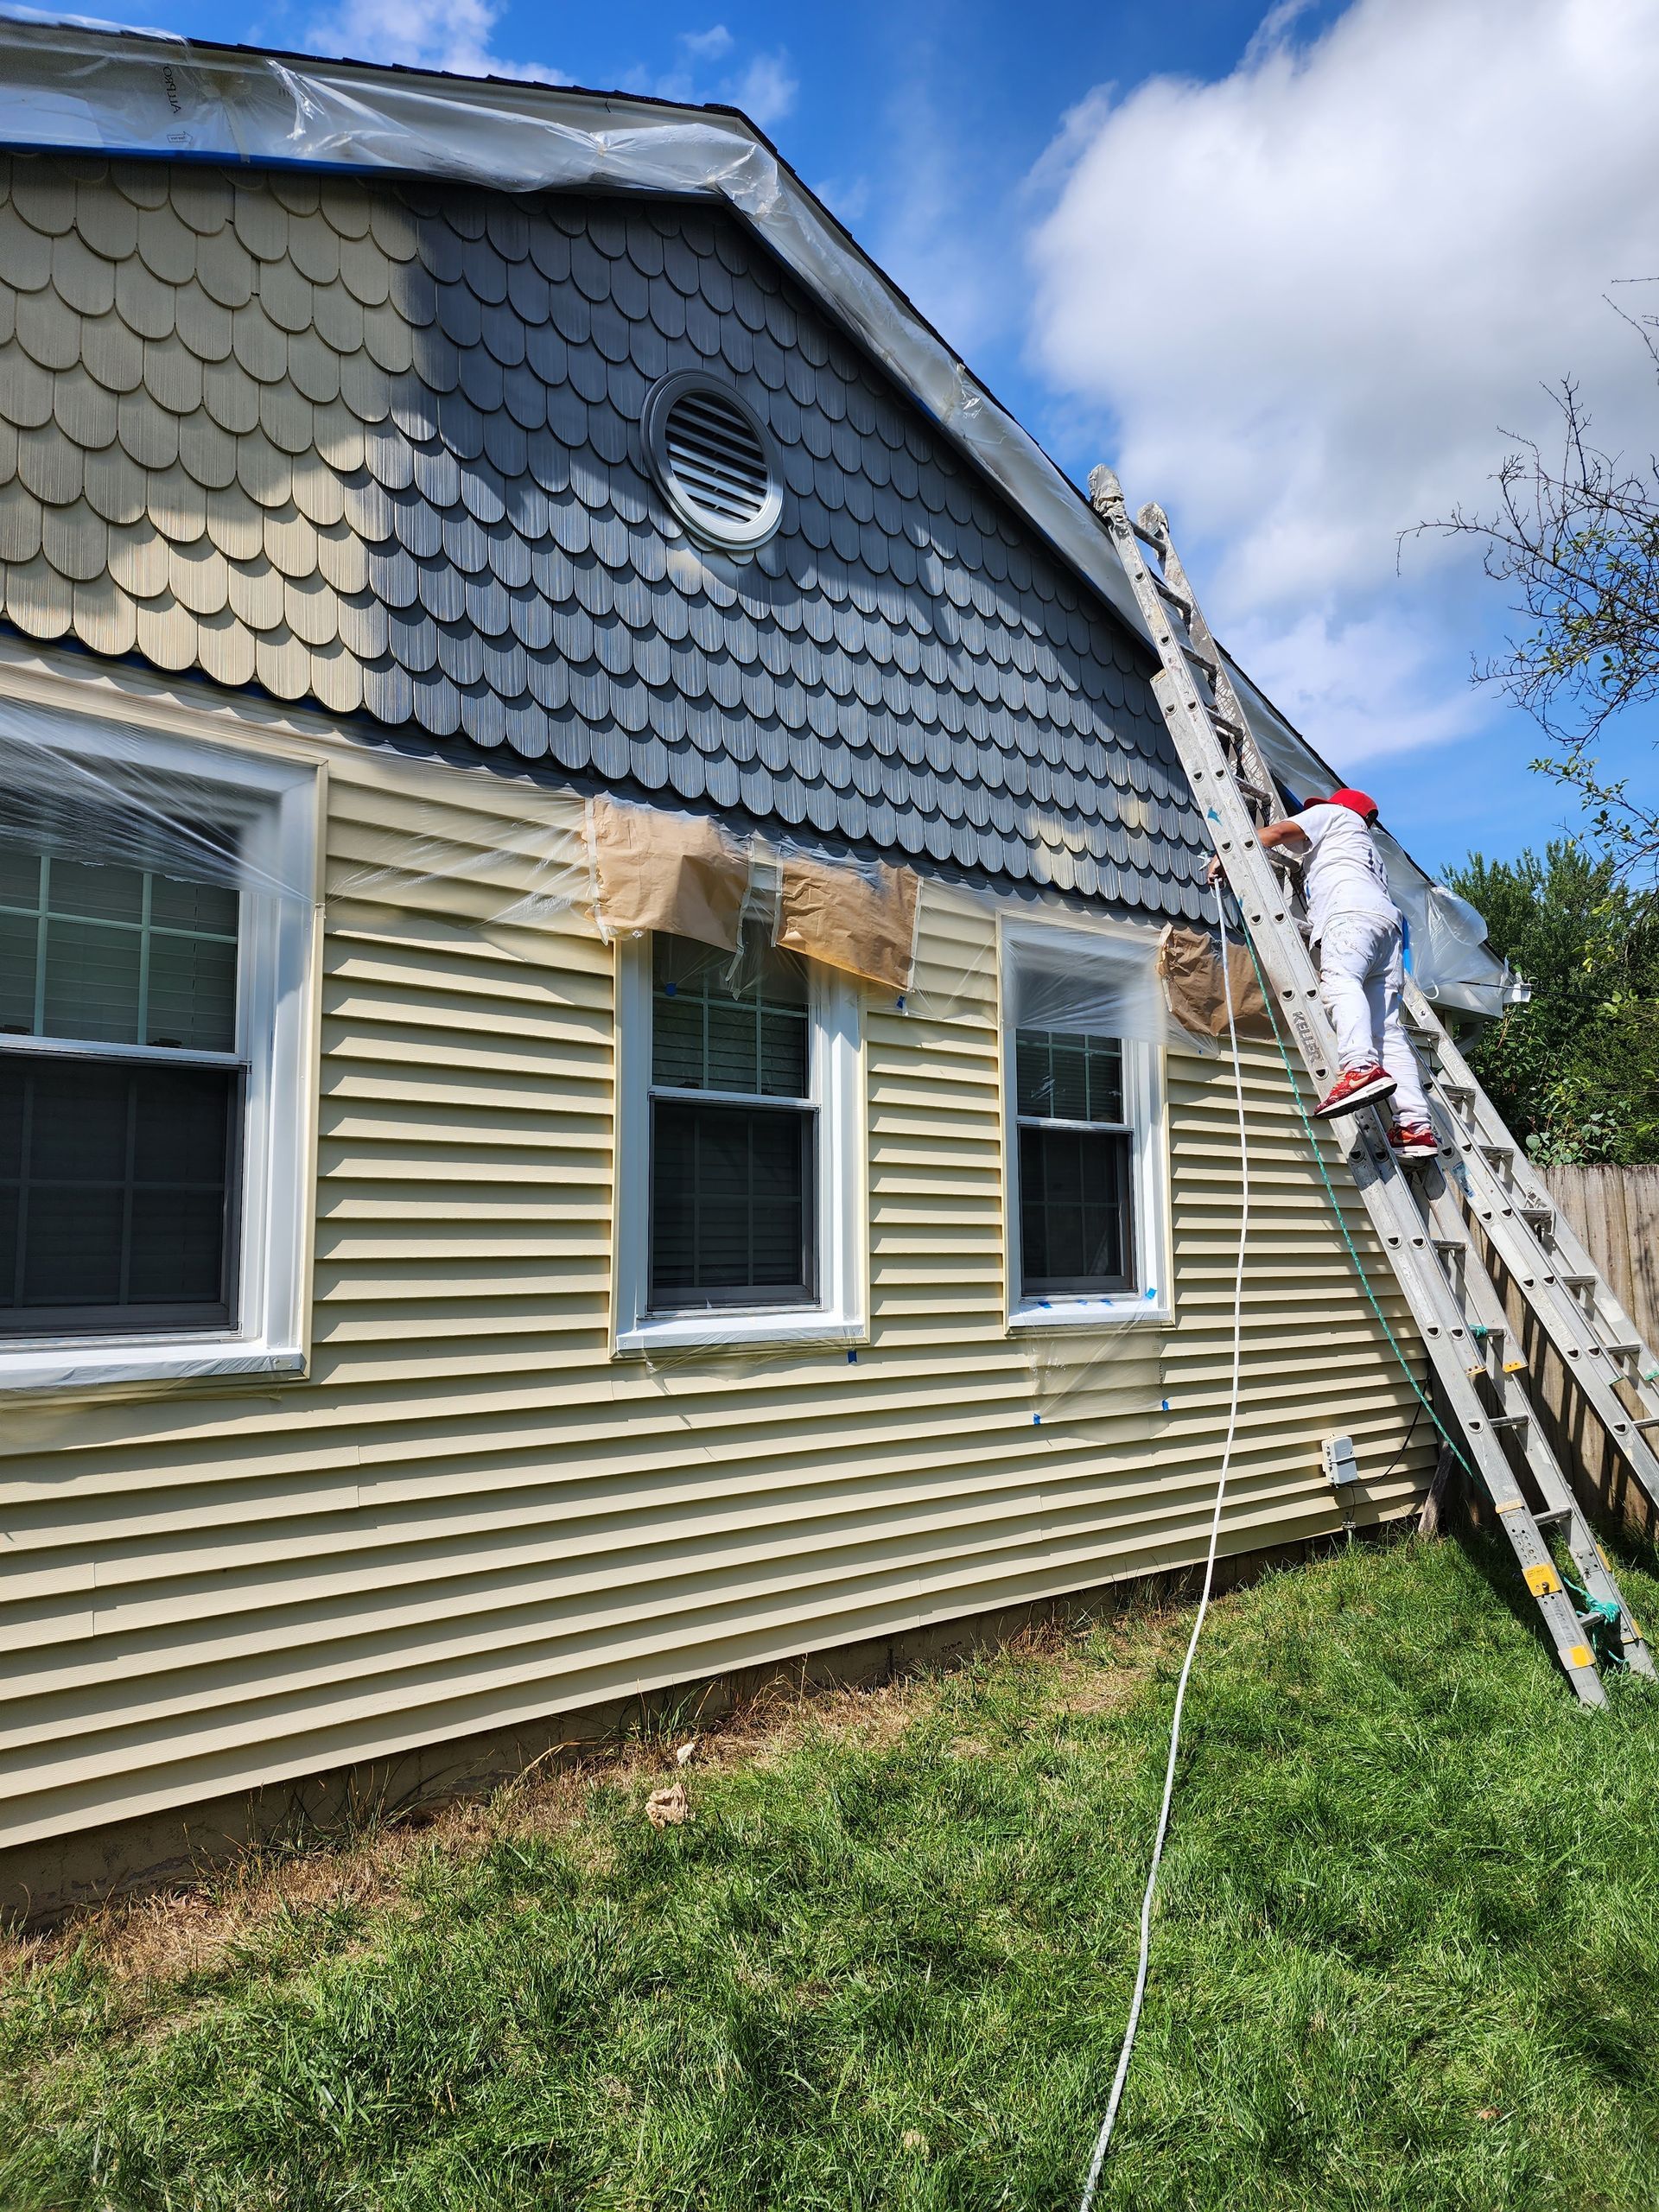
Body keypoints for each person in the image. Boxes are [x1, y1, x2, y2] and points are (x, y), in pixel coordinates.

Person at [1207, 787, 1438, 1160]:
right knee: (1388, 1030)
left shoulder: (1335, 815)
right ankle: (1415, 1125)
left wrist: (1227, 855)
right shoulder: (1368, 851)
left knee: (1341, 985)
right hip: (1389, 931)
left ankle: (1359, 1068)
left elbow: (1277, 833)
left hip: (1350, 918)